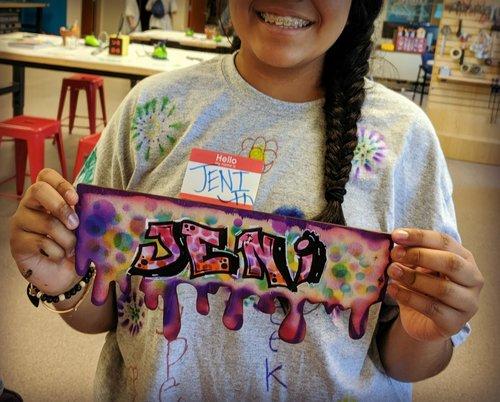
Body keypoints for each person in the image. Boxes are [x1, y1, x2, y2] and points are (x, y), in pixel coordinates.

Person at [9, 1, 483, 400]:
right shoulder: (151, 113)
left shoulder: (403, 140)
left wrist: (431, 326)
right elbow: (105, 308)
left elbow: (406, 360)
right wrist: (62, 280)